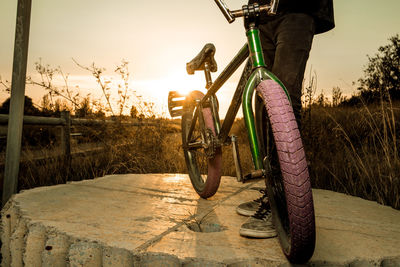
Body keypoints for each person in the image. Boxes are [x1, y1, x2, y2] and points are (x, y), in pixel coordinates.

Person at [237, 0, 335, 238]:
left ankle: (284, 203)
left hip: (297, 9)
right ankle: (272, 193)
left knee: (284, 96)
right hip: (262, 15)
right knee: (261, 99)